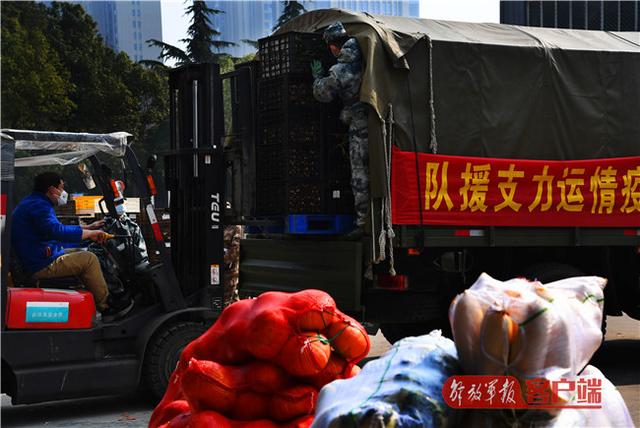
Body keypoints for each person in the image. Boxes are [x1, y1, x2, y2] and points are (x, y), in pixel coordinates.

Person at [11, 171, 133, 320]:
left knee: (89, 249)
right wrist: (89, 234)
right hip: (40, 264)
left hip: (41, 256)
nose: (63, 192)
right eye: (61, 188)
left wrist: (89, 229)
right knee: (89, 259)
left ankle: (110, 292)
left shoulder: (34, 202)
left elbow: (56, 236)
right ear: (51, 189)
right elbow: (57, 232)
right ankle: (107, 306)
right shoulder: (39, 206)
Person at [311, 21, 370, 239]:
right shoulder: (366, 55)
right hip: (375, 123)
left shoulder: (343, 67)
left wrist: (317, 78)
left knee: (360, 174)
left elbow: (324, 94)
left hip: (360, 126)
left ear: (333, 46)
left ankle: (363, 223)